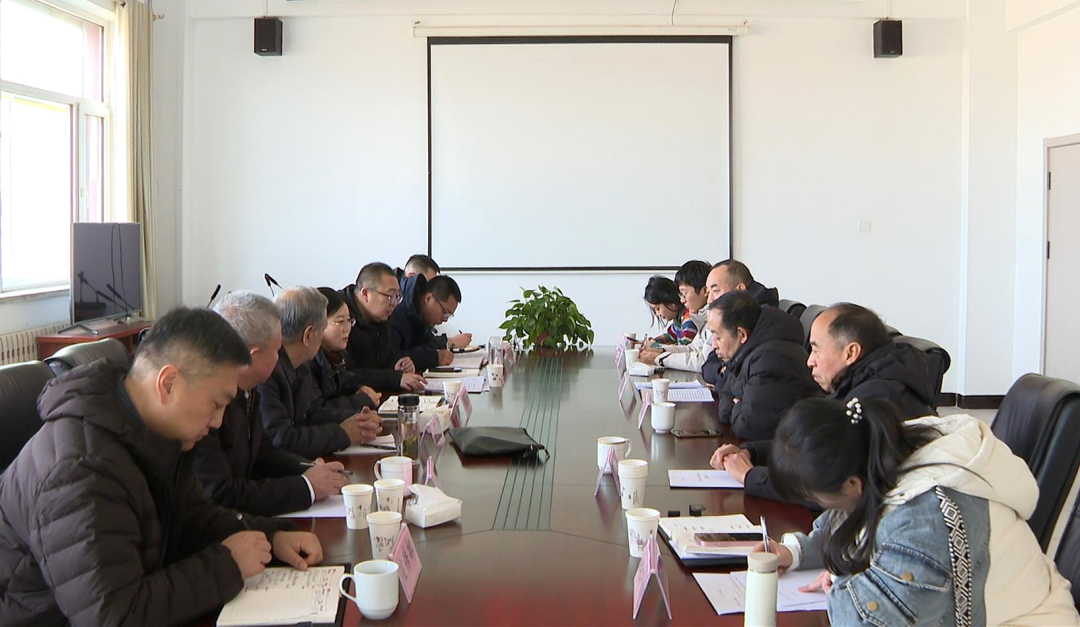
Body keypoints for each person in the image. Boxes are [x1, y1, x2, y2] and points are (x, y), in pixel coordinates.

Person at [0, 307, 324, 625]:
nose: (218, 421)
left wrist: (269, 537)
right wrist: (227, 565)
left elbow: (195, 517)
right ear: (168, 383)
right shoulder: (80, 470)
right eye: (216, 404)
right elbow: (114, 616)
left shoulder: (149, 433)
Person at [758, 397, 1079, 626]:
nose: (823, 508)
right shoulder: (886, 447)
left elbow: (866, 621)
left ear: (851, 484)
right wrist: (796, 551)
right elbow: (852, 515)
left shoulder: (927, 517)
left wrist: (844, 582)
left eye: (817, 497)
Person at [711, 302, 935, 503]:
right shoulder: (862, 382)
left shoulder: (878, 399)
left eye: (816, 350)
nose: (810, 361)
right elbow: (815, 448)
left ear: (851, 353)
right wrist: (753, 452)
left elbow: (832, 486)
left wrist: (751, 477)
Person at [192, 291, 349, 516]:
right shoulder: (205, 405)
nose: (280, 358)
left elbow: (263, 452)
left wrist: (308, 468)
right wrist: (307, 487)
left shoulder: (249, 387)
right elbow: (221, 494)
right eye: (277, 350)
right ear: (252, 356)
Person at [260, 287, 382, 459]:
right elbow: (281, 439)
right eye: (323, 327)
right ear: (308, 335)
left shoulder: (300, 363)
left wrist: (357, 420)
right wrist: (342, 433)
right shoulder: (267, 372)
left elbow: (312, 413)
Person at [707, 290, 821, 440]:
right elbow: (724, 387)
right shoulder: (745, 352)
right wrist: (736, 404)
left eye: (718, 337)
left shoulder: (771, 360)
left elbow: (749, 427)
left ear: (741, 335)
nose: (713, 345)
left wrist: (735, 406)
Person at [339, 262, 427, 393]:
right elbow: (346, 375)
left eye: (397, 297)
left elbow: (384, 359)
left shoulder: (381, 315)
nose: (394, 304)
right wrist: (395, 378)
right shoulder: (340, 318)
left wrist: (397, 365)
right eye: (389, 296)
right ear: (365, 293)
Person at [700, 260, 781, 385]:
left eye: (715, 291)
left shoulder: (758, 318)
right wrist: (721, 372)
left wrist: (722, 375)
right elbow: (709, 364)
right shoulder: (737, 314)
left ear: (740, 290)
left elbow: (736, 378)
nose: (709, 300)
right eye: (708, 293)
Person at [312, 286, 381, 411]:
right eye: (340, 322)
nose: (347, 328)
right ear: (318, 324)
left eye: (349, 320)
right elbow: (317, 411)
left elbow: (345, 383)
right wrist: (362, 400)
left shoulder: (338, 356)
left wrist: (358, 388)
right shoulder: (308, 362)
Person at [638, 260, 712, 371]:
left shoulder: (692, 318)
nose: (682, 300)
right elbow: (692, 348)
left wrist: (659, 358)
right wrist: (658, 349)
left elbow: (702, 361)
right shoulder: (701, 317)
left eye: (684, 293)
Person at [390, 274, 464, 373]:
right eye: (444, 312)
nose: (445, 319)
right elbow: (392, 358)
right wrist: (433, 358)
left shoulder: (421, 316)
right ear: (428, 298)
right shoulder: (396, 313)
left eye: (449, 315)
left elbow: (430, 344)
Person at [642, 275, 697, 346]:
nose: (657, 314)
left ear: (671, 302)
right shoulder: (677, 320)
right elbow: (670, 336)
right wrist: (654, 341)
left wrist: (655, 346)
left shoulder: (687, 318)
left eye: (658, 308)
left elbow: (685, 346)